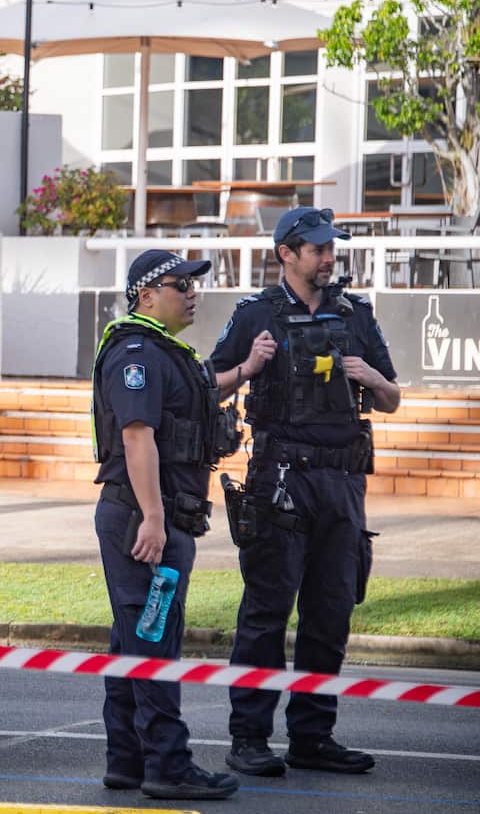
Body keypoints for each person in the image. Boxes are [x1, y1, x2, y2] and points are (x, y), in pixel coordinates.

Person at [213, 207, 399, 778]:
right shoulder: (256, 315)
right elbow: (206, 382)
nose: (328, 256)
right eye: (317, 248)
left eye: (330, 247)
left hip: (343, 483)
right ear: (286, 254)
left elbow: (392, 398)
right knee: (266, 613)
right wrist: (248, 367)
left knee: (330, 614)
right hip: (281, 481)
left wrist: (369, 377)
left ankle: (312, 737)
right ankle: (249, 737)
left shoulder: (356, 314)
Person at [90, 249, 239, 801]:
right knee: (153, 641)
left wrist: (245, 371)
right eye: (181, 285)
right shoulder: (137, 353)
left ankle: (127, 761)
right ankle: (167, 766)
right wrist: (153, 518)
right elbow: (136, 437)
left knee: (135, 637)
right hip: (143, 516)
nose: (193, 292)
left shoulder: (165, 354)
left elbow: (195, 397)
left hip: (159, 515)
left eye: (196, 283)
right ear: (146, 295)